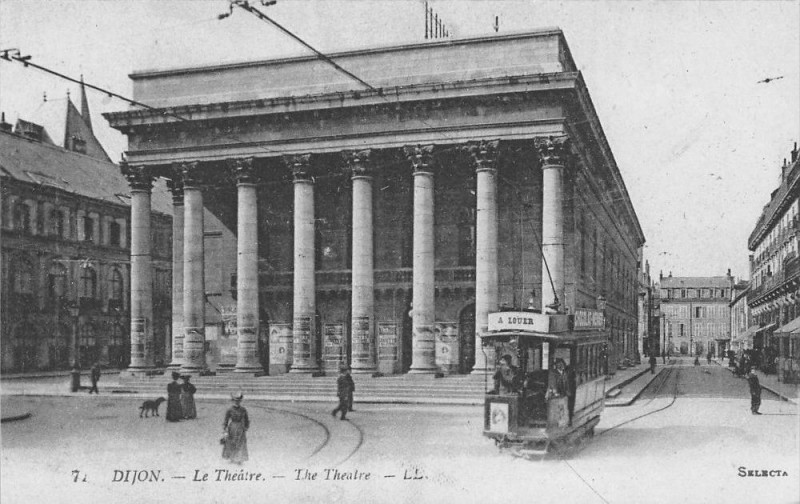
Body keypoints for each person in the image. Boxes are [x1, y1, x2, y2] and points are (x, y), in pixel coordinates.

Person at [222, 392, 250, 464]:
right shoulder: (229, 410)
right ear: (233, 401)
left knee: (240, 442)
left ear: (240, 401)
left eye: (238, 401)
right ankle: (232, 457)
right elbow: (226, 420)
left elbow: (246, 419)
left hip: (240, 427)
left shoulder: (243, 409)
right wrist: (225, 429)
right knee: (232, 442)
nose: (237, 402)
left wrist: (246, 426)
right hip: (232, 427)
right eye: (235, 401)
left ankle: (239, 458)